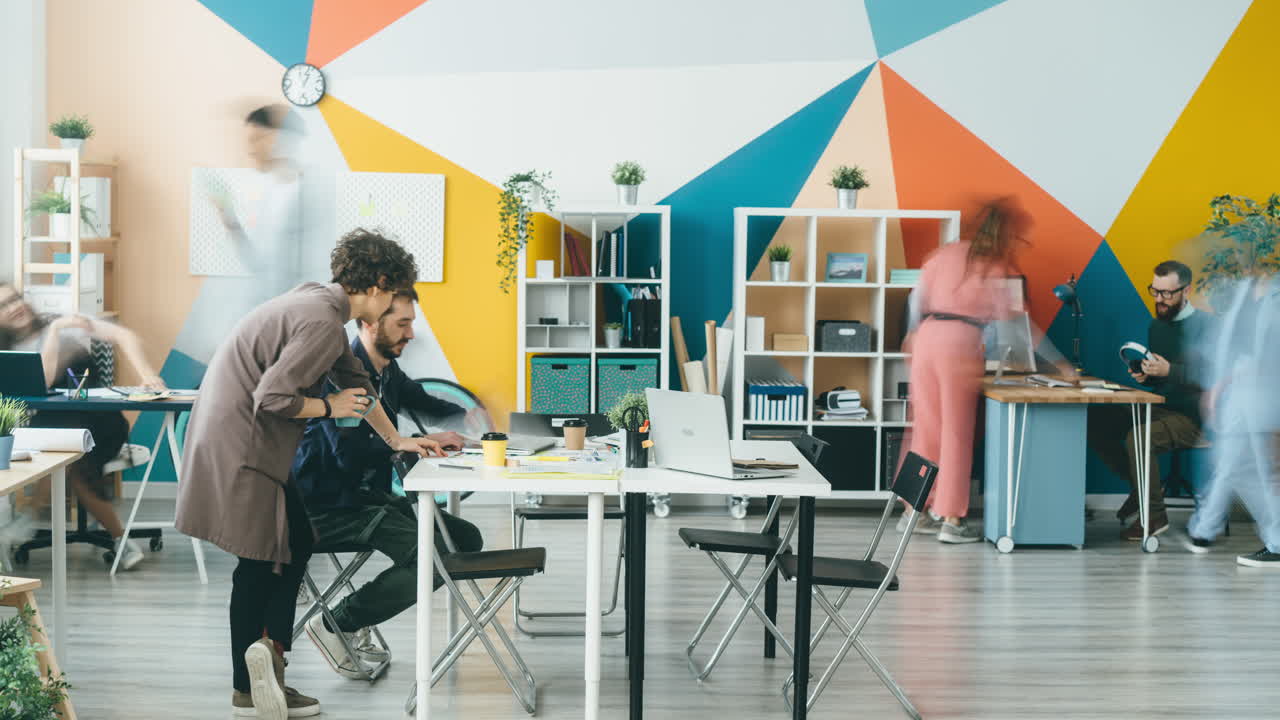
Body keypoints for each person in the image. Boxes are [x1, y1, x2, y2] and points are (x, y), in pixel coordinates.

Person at [175, 230, 444, 719]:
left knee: (295, 540)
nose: (389, 317)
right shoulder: (323, 323)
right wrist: (328, 406)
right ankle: (248, 687)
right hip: (242, 443)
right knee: (259, 561)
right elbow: (273, 398)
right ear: (380, 284)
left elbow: (357, 384)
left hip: (236, 435)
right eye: (392, 300)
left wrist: (397, 440)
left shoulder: (319, 305)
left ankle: (269, 662)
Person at [293, 287, 485, 677]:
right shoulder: (338, 376)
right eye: (403, 323)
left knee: (464, 539)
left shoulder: (386, 371)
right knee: (432, 557)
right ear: (369, 322)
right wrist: (412, 447)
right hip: (327, 507)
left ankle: (353, 618)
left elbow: (421, 399)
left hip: (366, 499)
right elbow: (343, 457)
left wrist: (472, 419)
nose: (411, 334)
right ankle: (335, 624)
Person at [0, 282, 165, 570]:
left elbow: (122, 336)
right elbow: (43, 380)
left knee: (76, 464)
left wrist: (148, 375)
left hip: (99, 422)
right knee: (40, 451)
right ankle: (31, 515)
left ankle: (119, 539)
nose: (14, 307)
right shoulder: (8, 348)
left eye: (14, 299)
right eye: (3, 306)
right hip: (48, 427)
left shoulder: (62, 325)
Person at [902, 201, 1034, 543]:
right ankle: (951, 519)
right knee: (957, 434)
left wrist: (913, 335)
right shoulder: (998, 265)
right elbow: (1016, 327)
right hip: (960, 342)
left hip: (925, 338)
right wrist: (1054, 363)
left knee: (925, 430)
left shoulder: (944, 253)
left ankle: (913, 510)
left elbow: (915, 301)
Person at [1086, 261, 1213, 541]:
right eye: (1154, 292)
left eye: (1166, 294)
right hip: (1159, 408)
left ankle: (1154, 516)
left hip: (1195, 418)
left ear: (1186, 290)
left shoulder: (1207, 325)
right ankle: (1141, 489)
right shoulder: (1157, 325)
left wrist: (1170, 371)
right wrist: (1148, 376)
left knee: (1139, 438)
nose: (1159, 300)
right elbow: (1165, 378)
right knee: (1096, 420)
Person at [1183, 269, 1280, 567]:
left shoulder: (1275, 294)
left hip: (1266, 388)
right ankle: (1204, 530)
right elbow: (1232, 345)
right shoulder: (1243, 291)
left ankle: (1276, 543)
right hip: (1238, 386)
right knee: (1228, 462)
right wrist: (1216, 388)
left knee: (1265, 470)